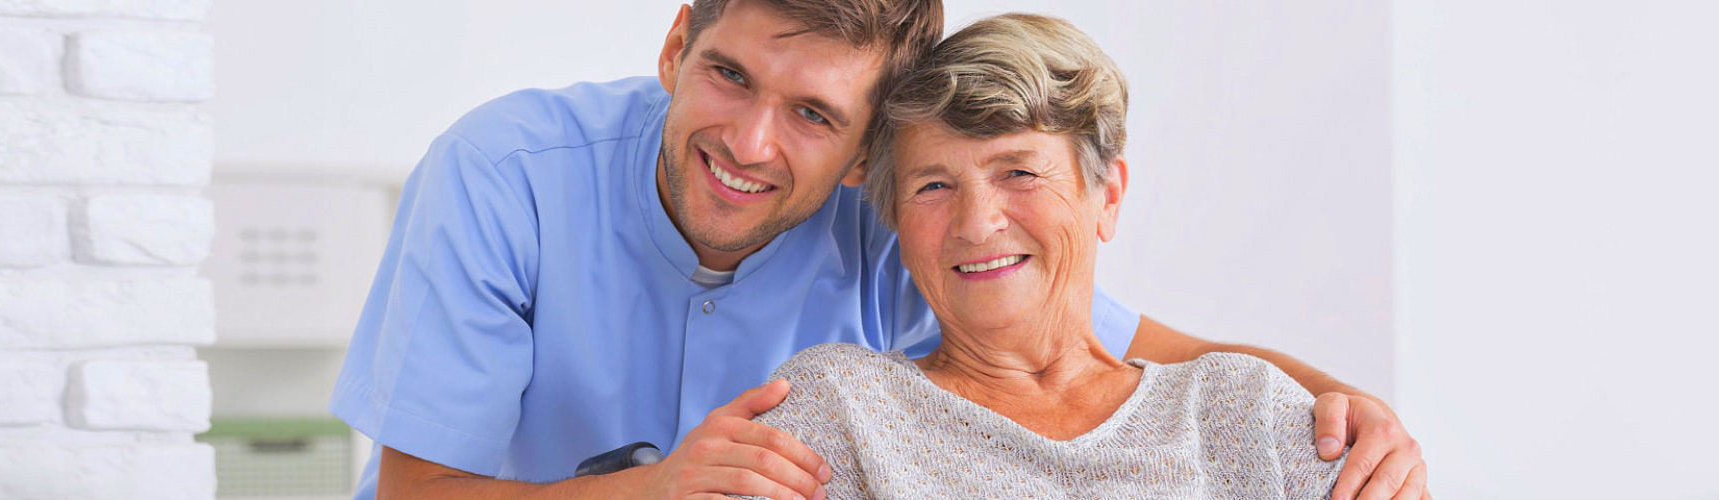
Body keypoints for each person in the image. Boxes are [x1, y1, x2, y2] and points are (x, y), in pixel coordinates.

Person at [330, 0, 1425, 499]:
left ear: (865, 151)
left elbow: (1115, 351)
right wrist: (657, 491)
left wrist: (1356, 414)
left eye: (814, 113)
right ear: (676, 44)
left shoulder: (909, 219)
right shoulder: (503, 174)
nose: (750, 143)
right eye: (729, 76)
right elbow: (417, 492)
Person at [753, 13, 1363, 498]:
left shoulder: (1244, 409)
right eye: (933, 185)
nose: (977, 222)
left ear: (1108, 196)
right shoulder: (835, 411)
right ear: (895, 222)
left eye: (1019, 172)